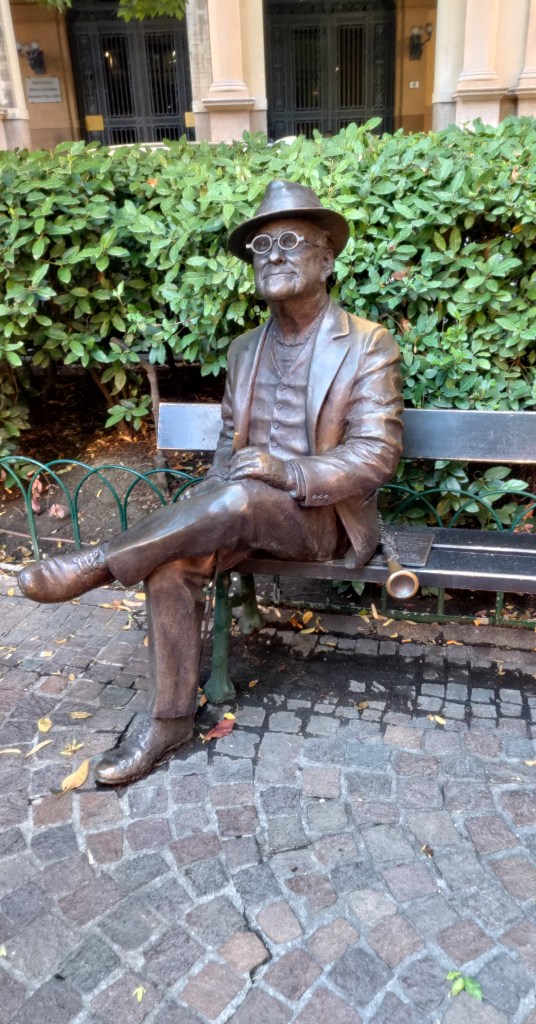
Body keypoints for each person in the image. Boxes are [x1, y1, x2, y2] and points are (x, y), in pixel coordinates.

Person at [18, 180, 404, 785]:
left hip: (320, 518)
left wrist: (290, 471)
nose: (272, 255)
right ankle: (168, 723)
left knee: (237, 497)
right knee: (172, 561)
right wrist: (210, 503)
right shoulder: (245, 350)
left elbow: (377, 455)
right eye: (261, 246)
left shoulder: (367, 343)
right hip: (238, 509)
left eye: (289, 241)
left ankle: (98, 563)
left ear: (326, 260)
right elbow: (229, 447)